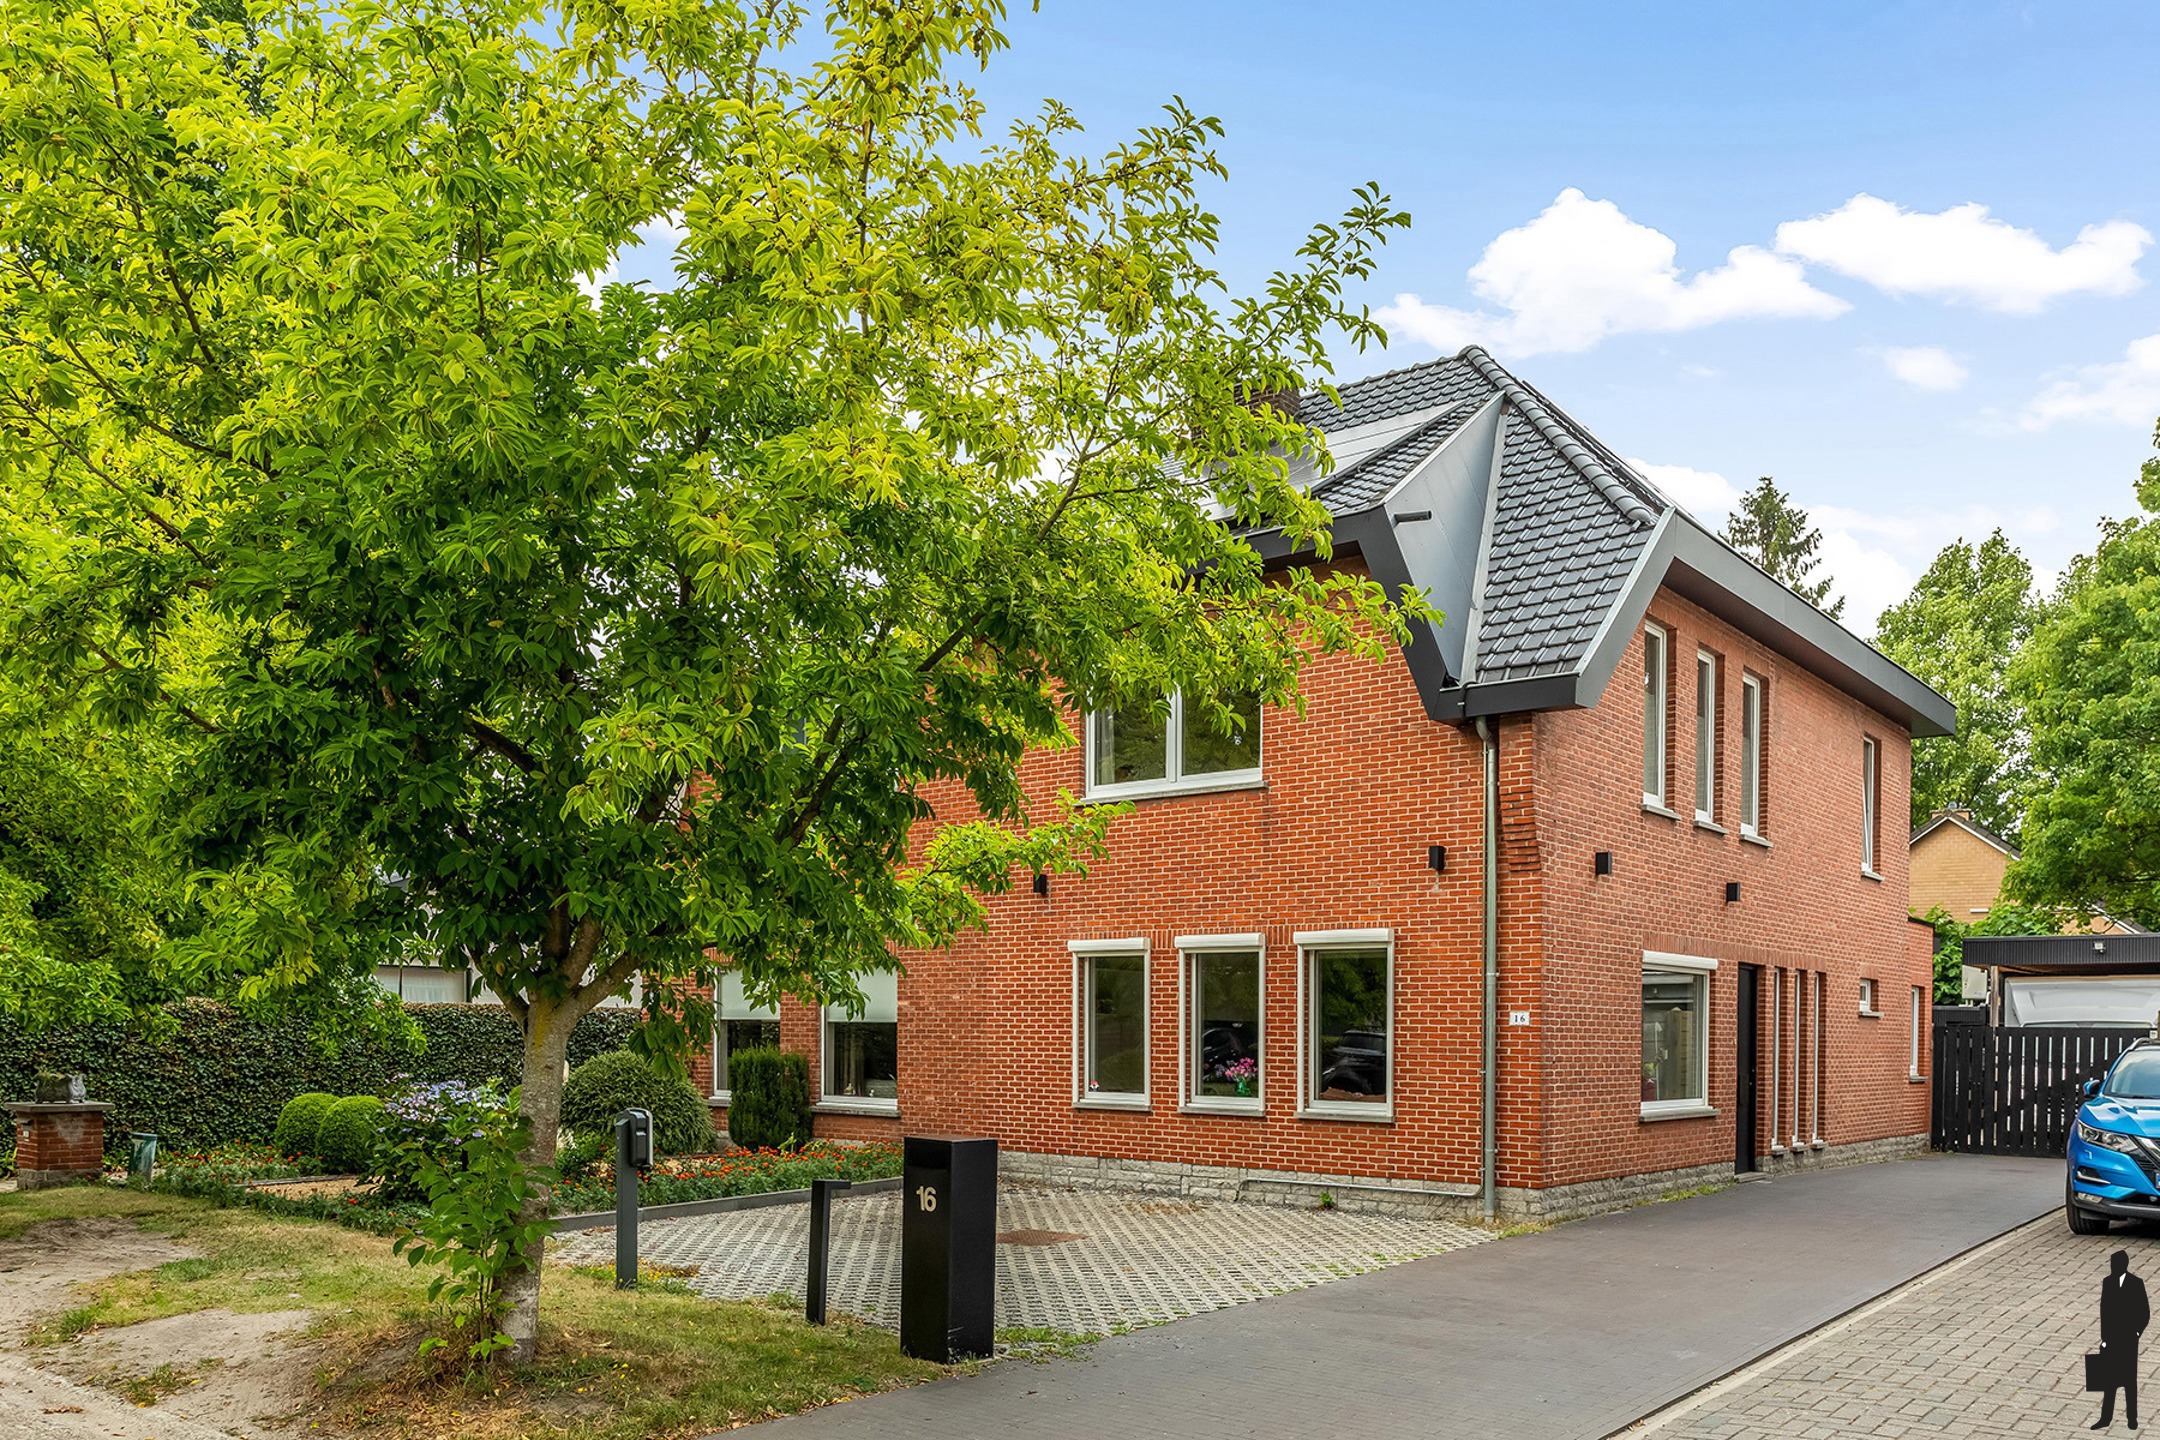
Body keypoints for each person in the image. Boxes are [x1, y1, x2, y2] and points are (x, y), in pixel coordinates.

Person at [2097, 1249, 2149, 1430]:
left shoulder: (2136, 1283)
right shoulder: (2108, 1282)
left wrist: (2137, 1333)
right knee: (2109, 1381)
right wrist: (2104, 1338)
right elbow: (2104, 1311)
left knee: (2129, 1381)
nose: (2112, 1267)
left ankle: (2132, 1418)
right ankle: (2105, 1418)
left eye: (2115, 1264)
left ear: (2123, 1265)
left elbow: (2144, 1311)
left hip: (2128, 1341)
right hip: (2112, 1339)